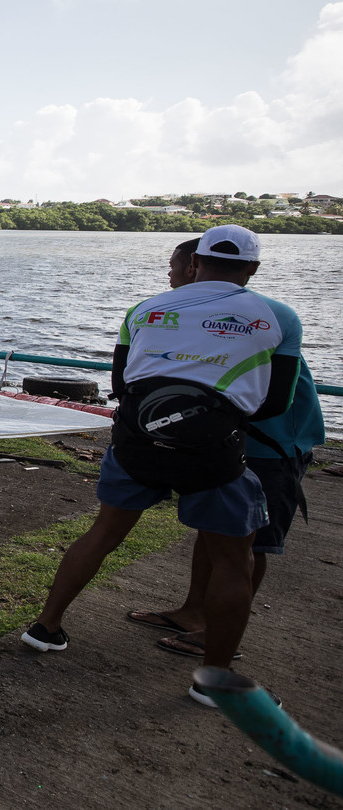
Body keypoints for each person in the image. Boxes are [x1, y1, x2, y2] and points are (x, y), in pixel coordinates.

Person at [20, 226, 302, 707]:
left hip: (138, 445)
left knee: (102, 533)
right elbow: (276, 400)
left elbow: (121, 381)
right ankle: (214, 681)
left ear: (195, 264)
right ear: (253, 269)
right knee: (234, 561)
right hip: (213, 456)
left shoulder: (146, 309)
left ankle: (45, 627)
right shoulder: (275, 315)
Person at [128, 238, 327, 659]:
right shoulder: (194, 314)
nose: (169, 275)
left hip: (270, 445)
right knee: (216, 532)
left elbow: (276, 398)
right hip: (223, 441)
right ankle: (194, 611)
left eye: (174, 267)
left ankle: (219, 636)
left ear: (194, 268)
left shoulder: (263, 316)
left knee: (248, 545)